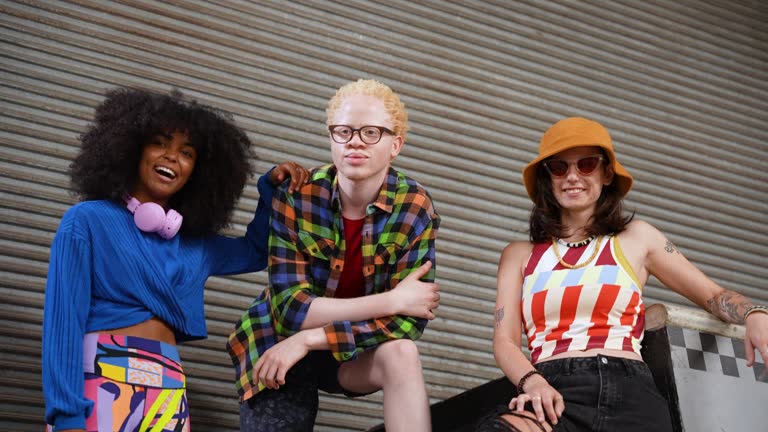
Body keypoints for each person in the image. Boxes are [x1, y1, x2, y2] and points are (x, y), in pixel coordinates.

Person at [42, 87, 308, 432]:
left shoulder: (196, 245)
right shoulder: (88, 221)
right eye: (159, 143)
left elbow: (256, 252)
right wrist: (66, 416)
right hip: (101, 376)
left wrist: (270, 188)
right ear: (132, 150)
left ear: (197, 170)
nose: (171, 157)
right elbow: (63, 324)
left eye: (187, 153)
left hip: (168, 386)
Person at [483, 116, 768, 431]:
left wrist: (754, 313)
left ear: (606, 173)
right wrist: (531, 381)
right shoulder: (519, 255)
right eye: (560, 167)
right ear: (547, 178)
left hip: (630, 390)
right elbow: (505, 340)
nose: (572, 177)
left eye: (587, 164)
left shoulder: (637, 238)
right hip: (554, 390)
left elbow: (713, 295)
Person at [227, 79, 441, 432]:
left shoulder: (414, 208)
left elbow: (408, 321)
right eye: (343, 131)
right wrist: (393, 299)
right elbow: (292, 309)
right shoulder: (296, 195)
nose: (355, 141)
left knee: (402, 353)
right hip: (276, 343)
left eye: (371, 132)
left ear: (395, 144)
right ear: (332, 139)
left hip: (351, 348)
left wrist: (310, 339)